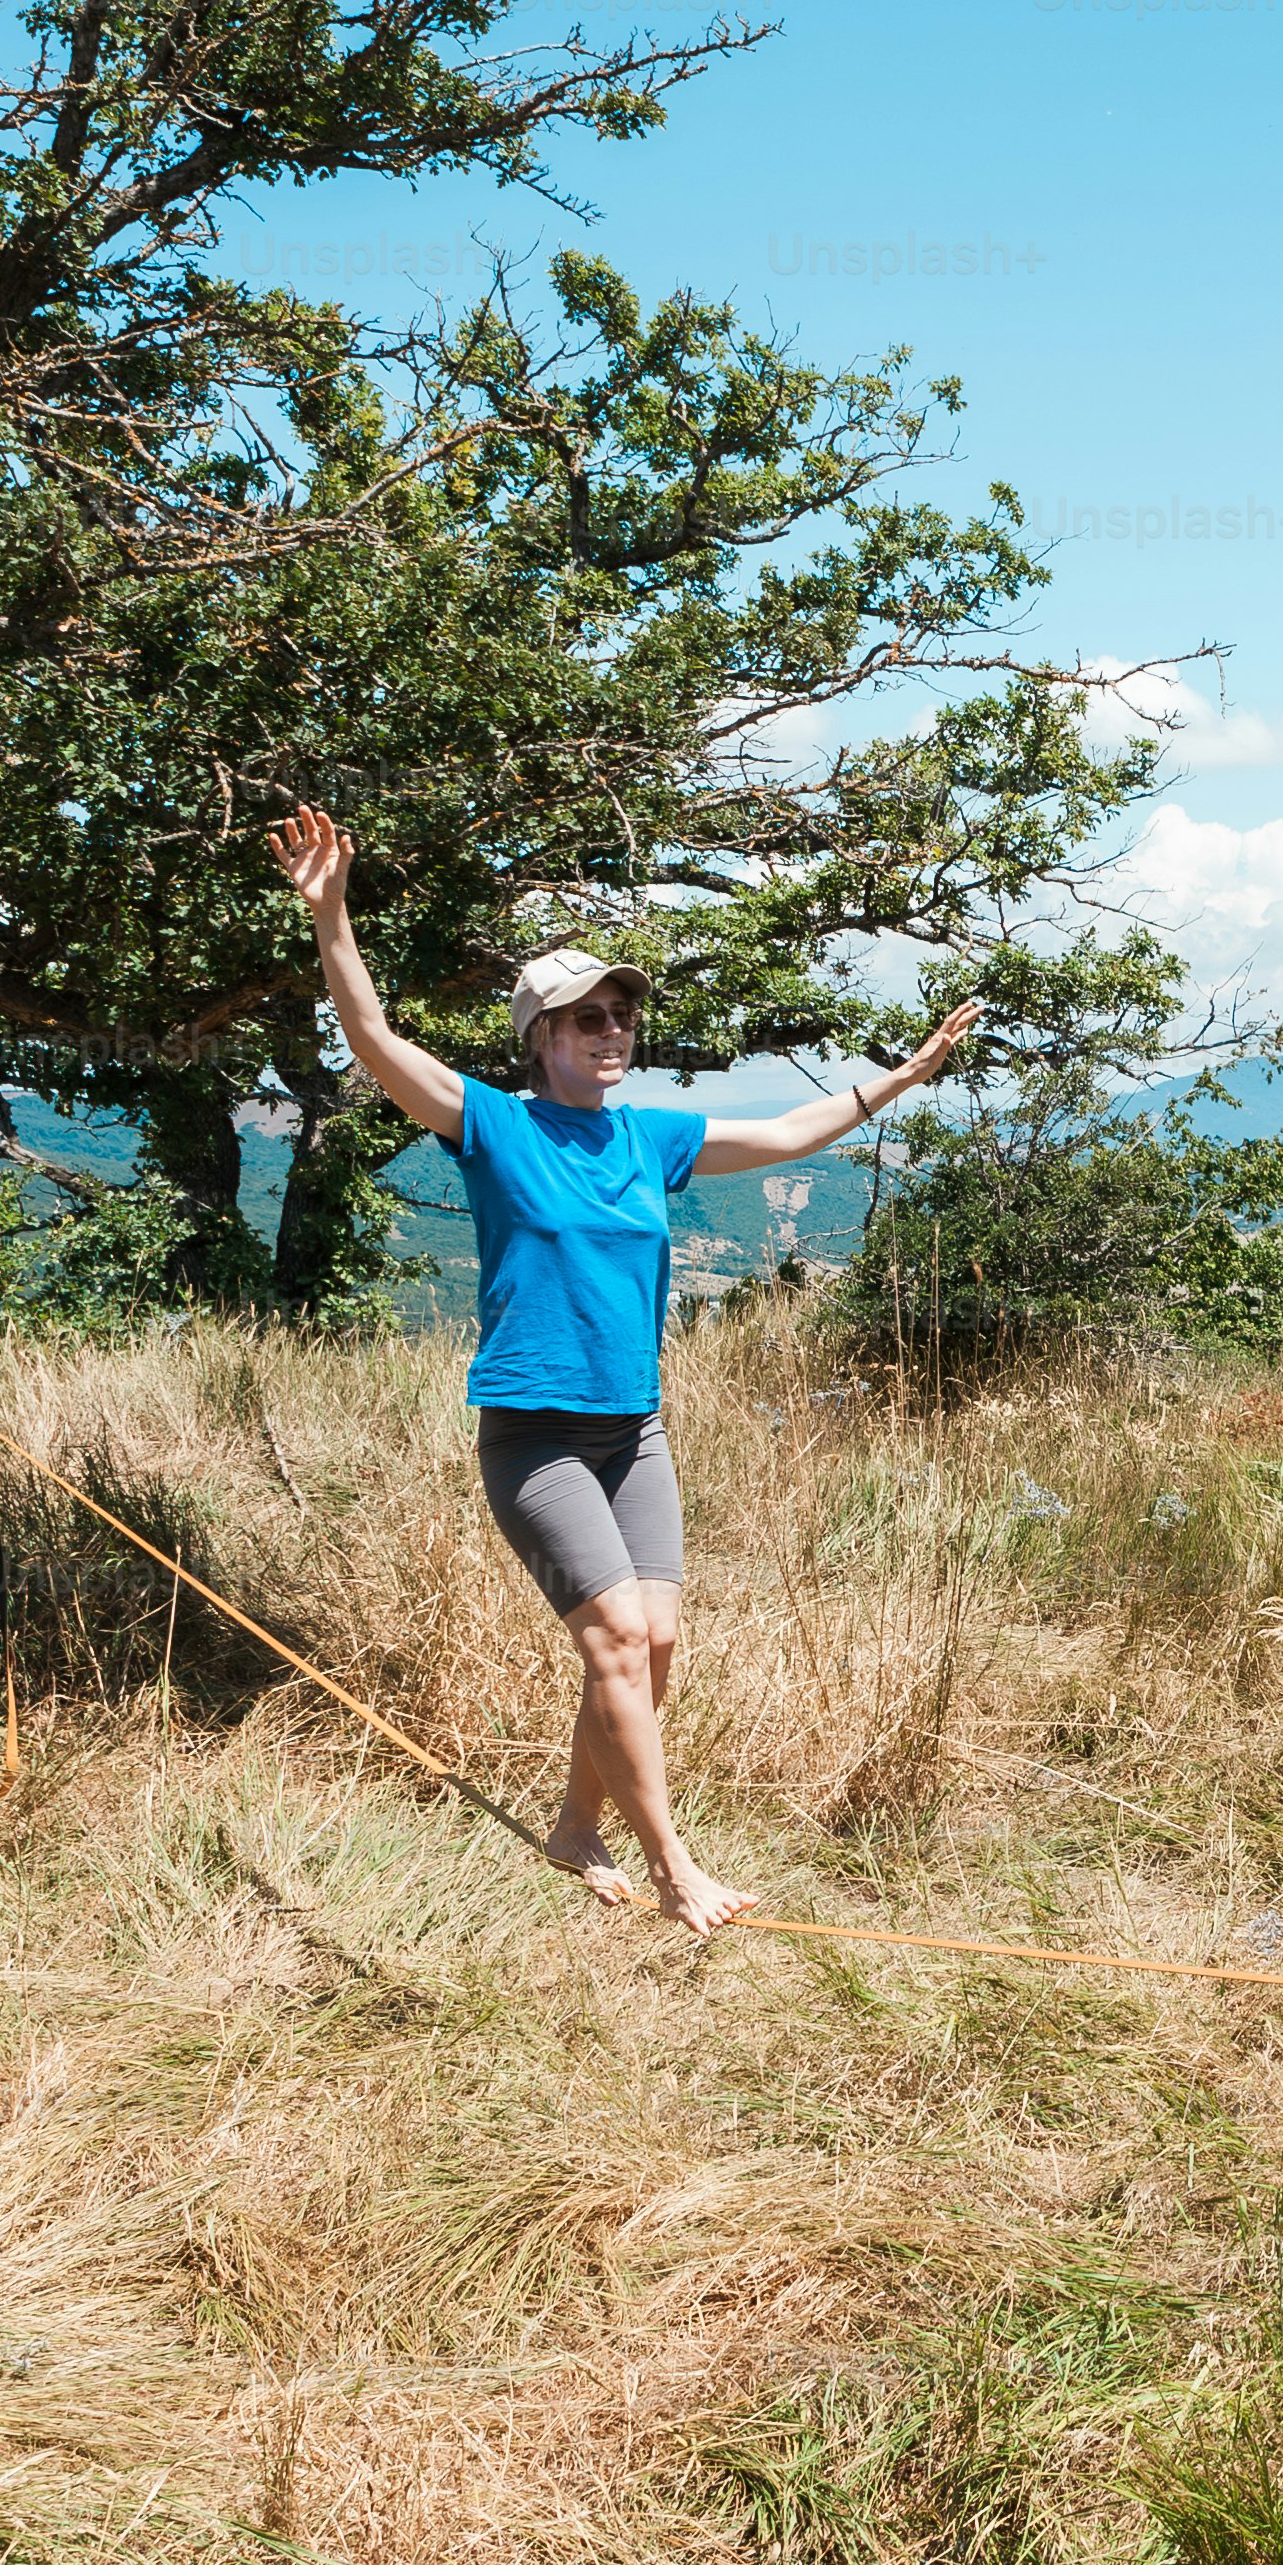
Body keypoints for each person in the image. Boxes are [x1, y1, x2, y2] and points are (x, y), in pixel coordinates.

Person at [270, 802, 977, 1930]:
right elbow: (374, 1042)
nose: (612, 1030)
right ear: (539, 1039)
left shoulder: (650, 1138)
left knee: (657, 1641)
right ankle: (672, 1867)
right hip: (536, 1431)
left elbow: (791, 1135)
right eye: (585, 1018)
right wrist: (332, 915)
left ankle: (573, 1826)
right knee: (612, 1636)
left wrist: (902, 1074)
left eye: (620, 1014)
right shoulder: (495, 1125)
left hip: (633, 1428)